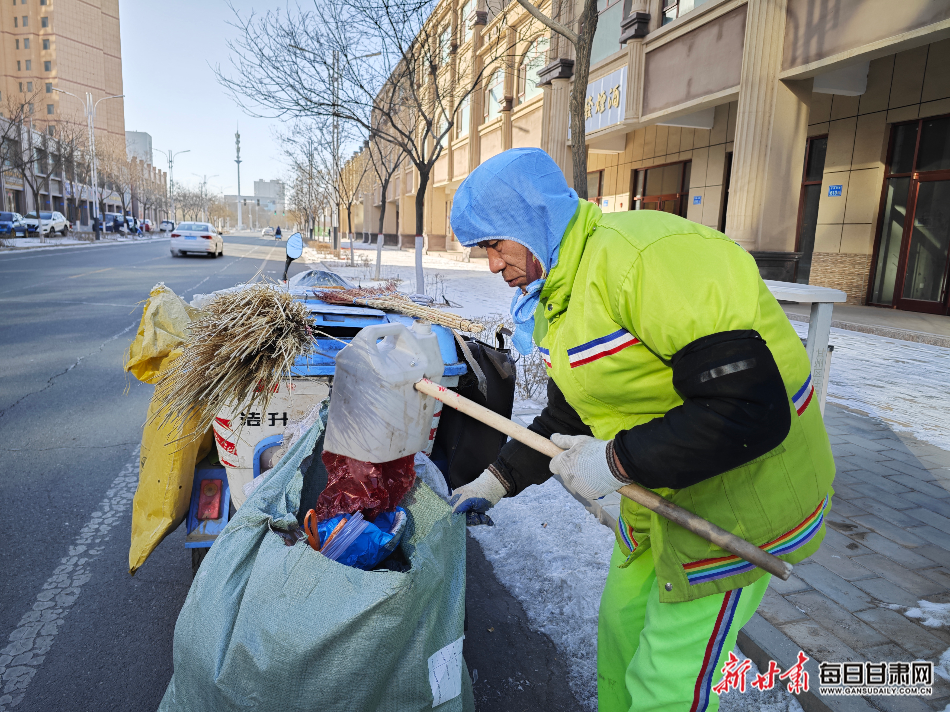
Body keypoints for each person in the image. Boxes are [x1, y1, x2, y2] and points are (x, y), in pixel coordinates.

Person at [447, 148, 835, 712]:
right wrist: (496, 480)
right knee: (621, 630)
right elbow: (573, 410)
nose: (489, 264)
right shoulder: (565, 285)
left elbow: (749, 408)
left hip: (737, 501)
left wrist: (614, 462)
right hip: (662, 489)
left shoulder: (644, 260)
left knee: (666, 677)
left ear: (531, 220)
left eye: (492, 244)